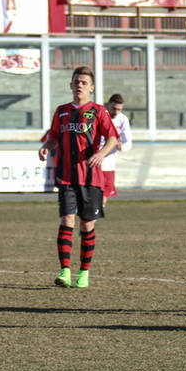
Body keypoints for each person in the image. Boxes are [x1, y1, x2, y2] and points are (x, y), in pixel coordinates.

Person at [38, 66, 119, 289]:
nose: (79, 85)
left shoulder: (98, 111)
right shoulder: (61, 111)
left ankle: (84, 272)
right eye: (76, 82)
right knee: (66, 220)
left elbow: (112, 138)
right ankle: (64, 271)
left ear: (91, 88)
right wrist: (46, 146)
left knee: (87, 224)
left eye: (84, 82)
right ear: (71, 85)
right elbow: (53, 136)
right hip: (66, 177)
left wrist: (101, 154)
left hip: (92, 178)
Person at [101, 93, 133, 206]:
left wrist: (122, 147)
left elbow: (128, 141)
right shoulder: (99, 115)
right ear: (108, 105)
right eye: (114, 108)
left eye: (119, 109)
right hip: (93, 160)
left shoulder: (123, 119)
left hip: (109, 163)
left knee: (104, 194)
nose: (116, 112)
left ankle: (95, 218)